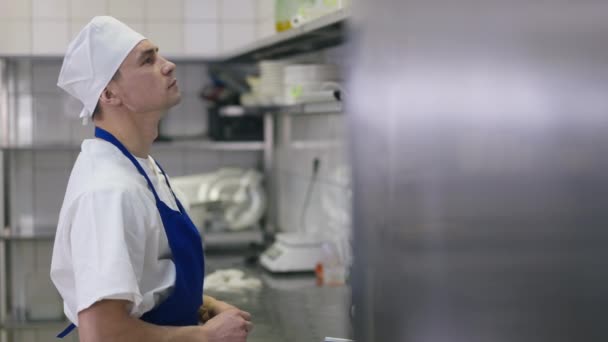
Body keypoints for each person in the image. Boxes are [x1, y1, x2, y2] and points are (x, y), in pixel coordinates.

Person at [50, 16, 253, 342]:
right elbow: (102, 333)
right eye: (148, 60)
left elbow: (149, 276)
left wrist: (204, 304)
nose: (168, 65)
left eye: (158, 54)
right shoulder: (108, 191)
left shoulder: (139, 166)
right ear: (110, 94)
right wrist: (205, 337)